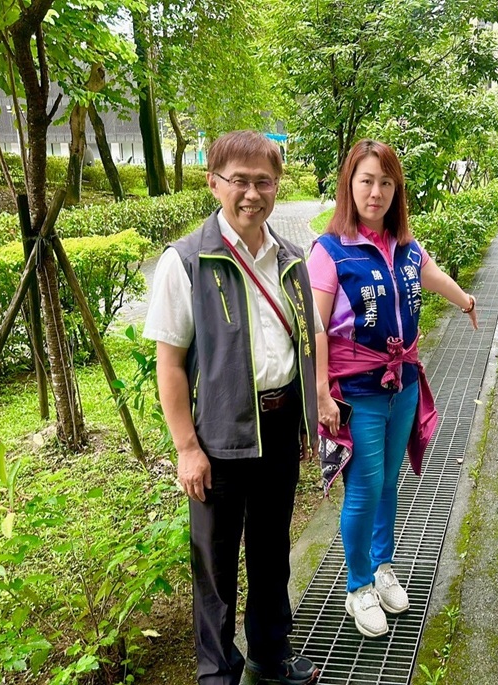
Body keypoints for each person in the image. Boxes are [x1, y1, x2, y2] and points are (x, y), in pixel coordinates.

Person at [144, 130, 321, 685]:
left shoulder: (292, 258)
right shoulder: (187, 262)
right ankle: (217, 675)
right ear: (214, 184)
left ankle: (271, 657)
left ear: (277, 184)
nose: (251, 193)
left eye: (262, 181)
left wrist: (316, 411)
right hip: (218, 440)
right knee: (216, 569)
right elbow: (169, 364)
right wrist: (186, 448)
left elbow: (308, 338)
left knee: (271, 555)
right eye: (238, 181)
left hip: (279, 429)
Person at [307, 139, 478, 638]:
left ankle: (383, 568)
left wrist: (465, 299)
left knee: (388, 482)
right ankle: (357, 586)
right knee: (361, 489)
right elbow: (315, 327)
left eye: (385, 182)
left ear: (396, 189)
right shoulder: (330, 250)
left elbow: (430, 276)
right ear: (349, 186)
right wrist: (321, 393)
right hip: (356, 390)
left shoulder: (404, 245)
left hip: (402, 382)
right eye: (366, 181)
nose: (376, 192)